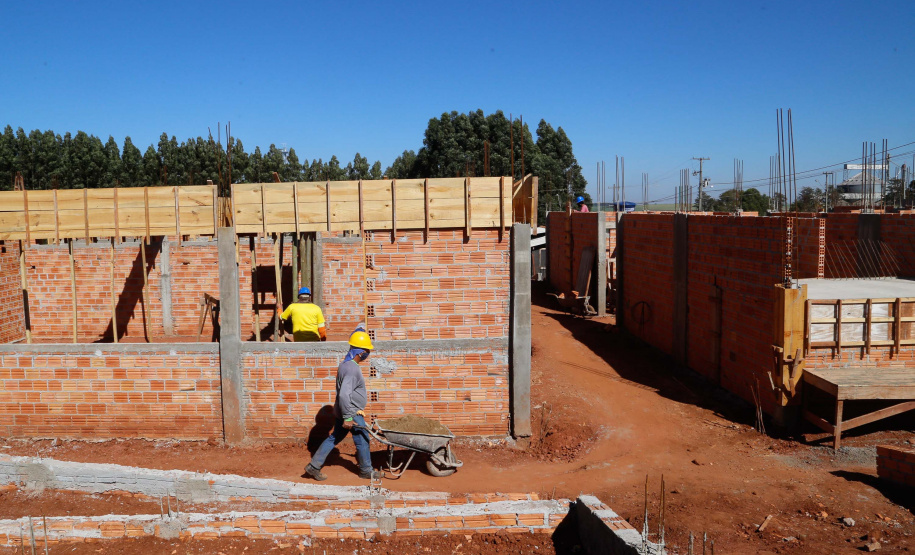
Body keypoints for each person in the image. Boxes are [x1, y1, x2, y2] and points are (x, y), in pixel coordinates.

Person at [304, 330, 382, 481]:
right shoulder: (352, 369)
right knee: (363, 439)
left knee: (334, 437)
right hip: (350, 412)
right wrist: (348, 417)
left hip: (344, 410)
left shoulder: (345, 365)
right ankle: (366, 470)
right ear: (360, 351)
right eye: (366, 350)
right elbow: (344, 394)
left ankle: (313, 466)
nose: (368, 353)